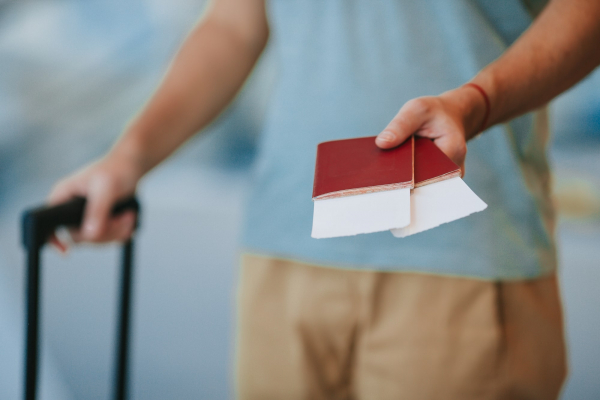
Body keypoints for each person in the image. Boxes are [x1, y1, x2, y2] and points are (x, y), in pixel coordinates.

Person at [48, 0, 600, 398]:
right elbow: (235, 23)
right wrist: (128, 157)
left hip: (461, 264)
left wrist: (476, 103)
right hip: (283, 255)